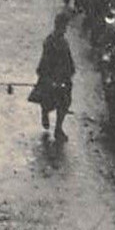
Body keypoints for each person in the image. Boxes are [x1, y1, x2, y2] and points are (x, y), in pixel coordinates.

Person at [30, 11, 76, 141]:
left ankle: (58, 128)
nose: (65, 29)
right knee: (50, 99)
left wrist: (69, 72)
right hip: (52, 76)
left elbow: (68, 60)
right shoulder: (51, 42)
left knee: (64, 101)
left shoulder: (60, 41)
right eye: (63, 26)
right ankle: (46, 114)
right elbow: (46, 61)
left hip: (61, 77)